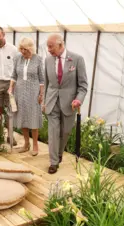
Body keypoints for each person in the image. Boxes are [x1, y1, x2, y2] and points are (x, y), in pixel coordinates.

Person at [43, 34, 88, 174]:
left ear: (60, 45)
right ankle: (54, 162)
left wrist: (78, 99)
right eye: (47, 46)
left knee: (65, 131)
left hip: (70, 104)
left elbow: (83, 85)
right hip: (52, 101)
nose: (48, 49)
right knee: (53, 132)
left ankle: (59, 152)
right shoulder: (47, 60)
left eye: (51, 46)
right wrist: (44, 102)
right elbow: (47, 83)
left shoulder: (77, 59)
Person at [8, 37, 44, 156]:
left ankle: (35, 145)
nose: (23, 51)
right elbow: (14, 75)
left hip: (33, 92)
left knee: (33, 118)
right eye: (21, 49)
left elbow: (42, 79)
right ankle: (26, 144)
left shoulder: (38, 59)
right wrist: (11, 87)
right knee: (22, 117)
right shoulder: (18, 58)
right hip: (20, 91)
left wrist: (41, 93)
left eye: (25, 49)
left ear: (30, 48)